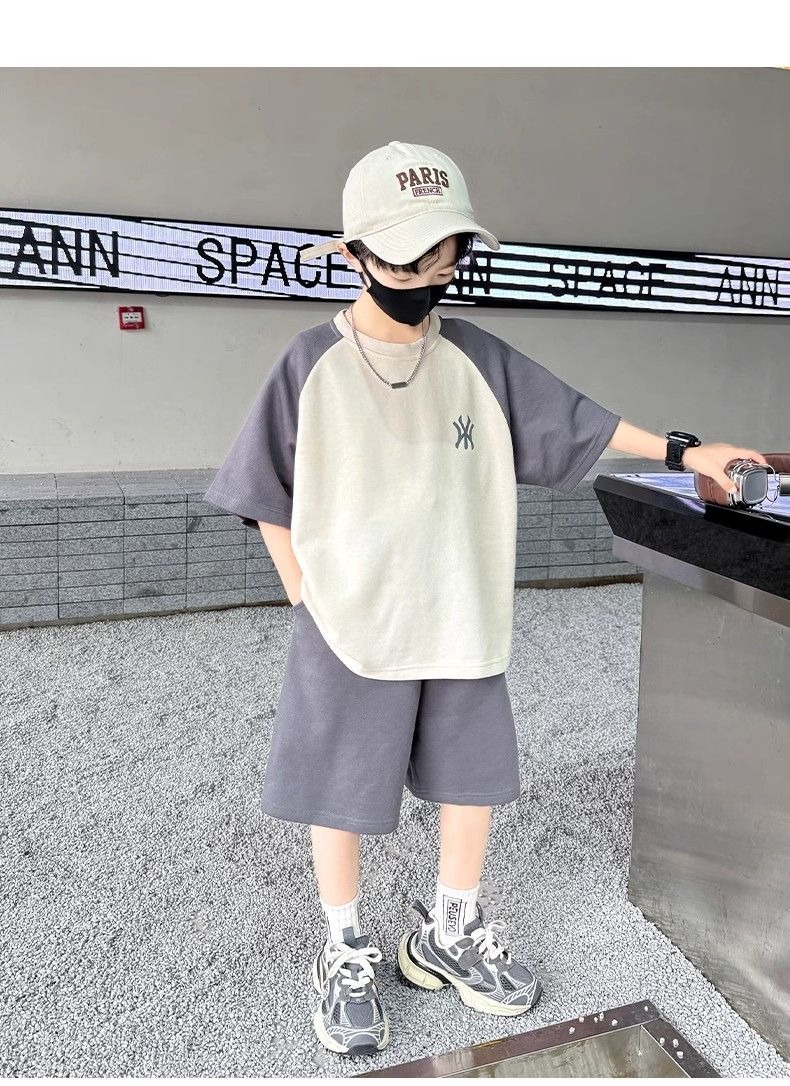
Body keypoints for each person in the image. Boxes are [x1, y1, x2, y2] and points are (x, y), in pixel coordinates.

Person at [203, 140, 766, 1058]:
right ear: (355, 255)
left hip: (460, 611)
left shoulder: (474, 357)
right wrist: (306, 596)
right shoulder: (311, 362)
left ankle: (450, 930)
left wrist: (684, 450)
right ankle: (344, 947)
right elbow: (266, 488)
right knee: (339, 787)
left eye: (443, 256)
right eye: (405, 259)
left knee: (472, 780)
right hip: (349, 620)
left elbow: (576, 417)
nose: (426, 277)